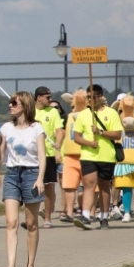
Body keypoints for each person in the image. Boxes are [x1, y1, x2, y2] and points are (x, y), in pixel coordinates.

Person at [0, 91, 45, 267]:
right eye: (10, 102)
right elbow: (1, 153)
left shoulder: (36, 128)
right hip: (11, 174)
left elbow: (41, 155)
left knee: (31, 224)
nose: (10, 105)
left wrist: (40, 178)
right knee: (11, 222)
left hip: (31, 174)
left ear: (25, 105)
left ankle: (30, 266)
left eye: (14, 102)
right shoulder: (6, 128)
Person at [70, 84, 122, 229]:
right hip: (88, 156)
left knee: (104, 186)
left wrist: (100, 132)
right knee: (89, 183)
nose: (90, 100)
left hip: (106, 156)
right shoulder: (83, 115)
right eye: (88, 97)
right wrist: (89, 143)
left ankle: (104, 216)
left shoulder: (111, 113)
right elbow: (77, 137)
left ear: (100, 97)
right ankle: (86, 215)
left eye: (92, 97)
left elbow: (117, 134)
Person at [33, 87, 63, 223]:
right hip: (33, 155)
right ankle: (32, 216)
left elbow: (59, 130)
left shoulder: (52, 112)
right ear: (39, 98)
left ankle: (47, 218)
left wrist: (58, 144)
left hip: (48, 154)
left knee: (49, 187)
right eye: (48, 97)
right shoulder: (30, 111)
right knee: (32, 186)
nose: (50, 100)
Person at [59, 89, 87, 222]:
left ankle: (89, 212)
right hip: (70, 156)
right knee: (69, 186)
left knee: (89, 186)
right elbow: (63, 133)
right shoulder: (69, 116)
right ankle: (70, 212)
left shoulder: (90, 116)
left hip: (87, 155)